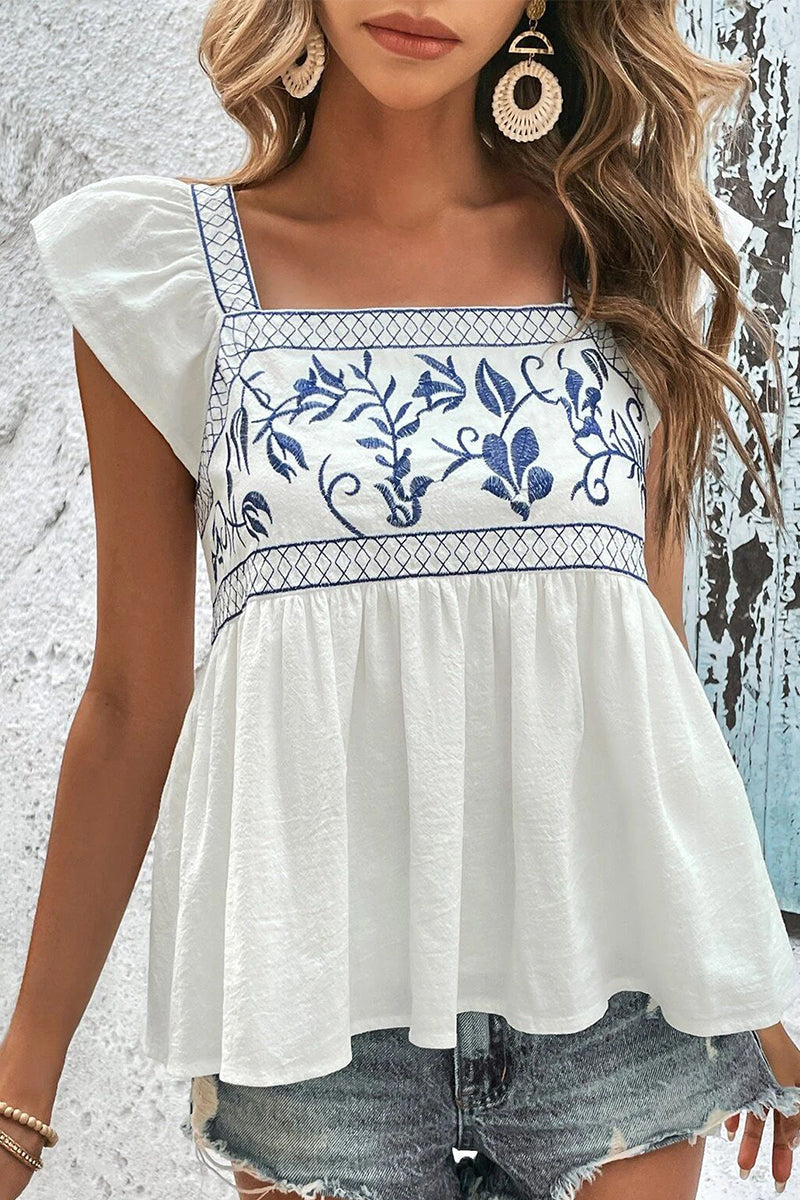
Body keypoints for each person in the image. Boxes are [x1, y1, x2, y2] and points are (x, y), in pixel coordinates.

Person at [4, 1, 800, 1197]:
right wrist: (24, 1083)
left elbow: (650, 677)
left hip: (618, 995)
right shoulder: (167, 274)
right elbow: (130, 702)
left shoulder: (633, 260)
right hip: (310, 1016)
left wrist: (745, 988)